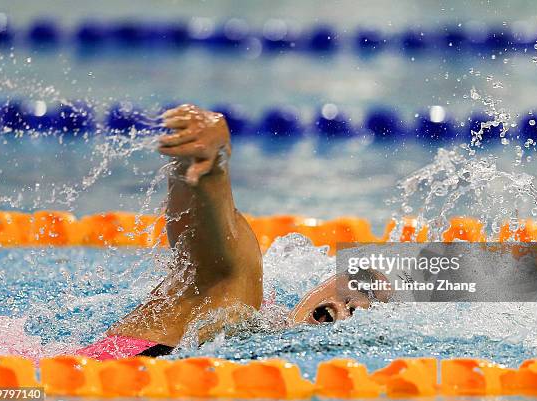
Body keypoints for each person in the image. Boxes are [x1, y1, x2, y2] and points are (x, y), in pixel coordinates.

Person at [76, 104, 390, 360]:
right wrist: (211, 165)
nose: (349, 305)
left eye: (357, 310)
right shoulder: (240, 308)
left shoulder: (241, 325)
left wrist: (211, 163)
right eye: (359, 294)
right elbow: (213, 254)